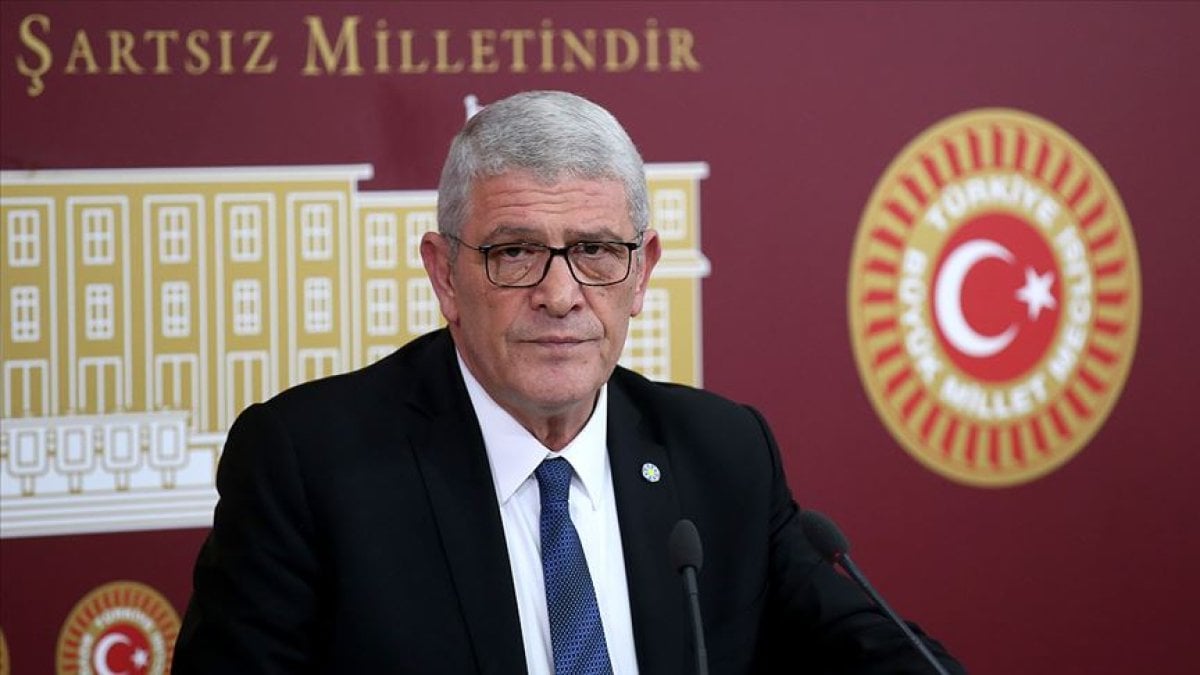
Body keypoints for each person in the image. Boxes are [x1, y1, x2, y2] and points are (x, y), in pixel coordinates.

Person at [174, 90, 964, 674]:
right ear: (445, 275)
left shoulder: (721, 454)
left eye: (595, 250)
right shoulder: (309, 466)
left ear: (641, 273)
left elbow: (871, 650)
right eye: (515, 252)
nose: (560, 294)